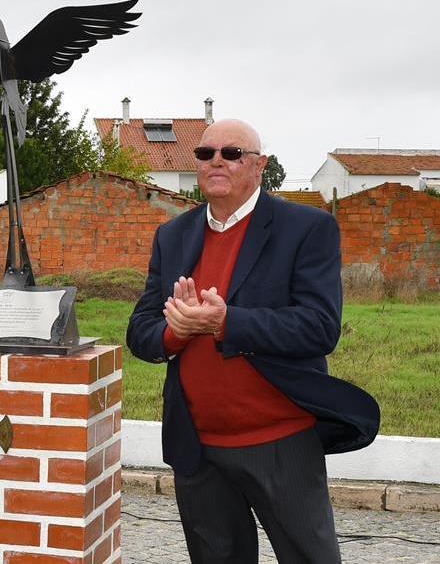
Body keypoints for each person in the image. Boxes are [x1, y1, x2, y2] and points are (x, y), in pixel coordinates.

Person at [126, 119, 380, 563]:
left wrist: (227, 323)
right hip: (198, 446)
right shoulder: (173, 235)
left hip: (280, 440)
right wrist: (176, 331)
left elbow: (320, 327)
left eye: (231, 153)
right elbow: (140, 331)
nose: (216, 161)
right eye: (205, 154)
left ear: (259, 165)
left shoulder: (305, 228)